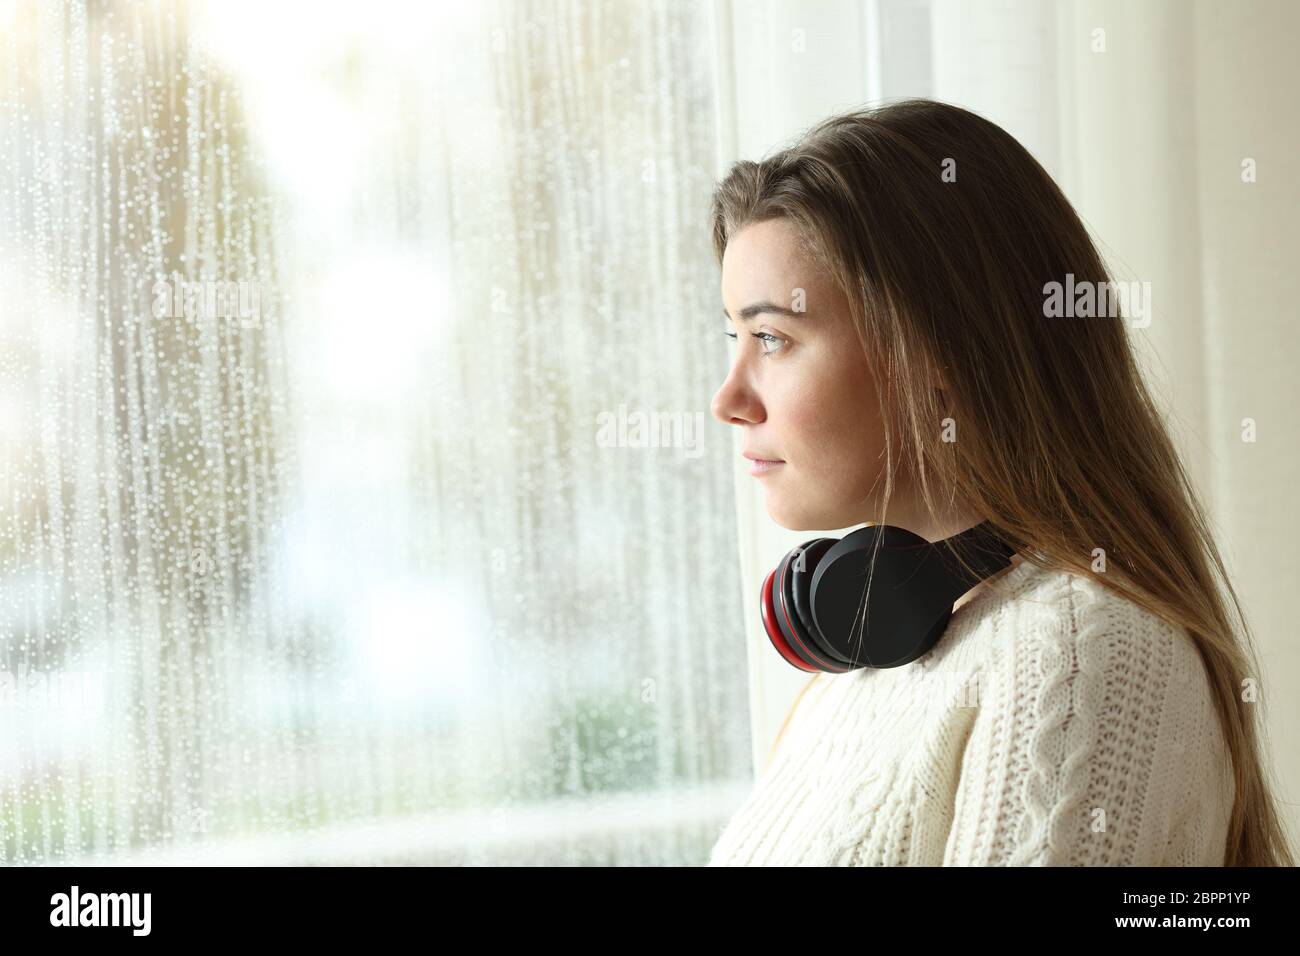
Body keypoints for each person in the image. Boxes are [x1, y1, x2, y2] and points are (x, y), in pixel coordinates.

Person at [706, 99, 1293, 866]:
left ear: (940, 353)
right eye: (735, 339)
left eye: (773, 340)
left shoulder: (1081, 656)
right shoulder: (876, 661)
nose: (728, 400)